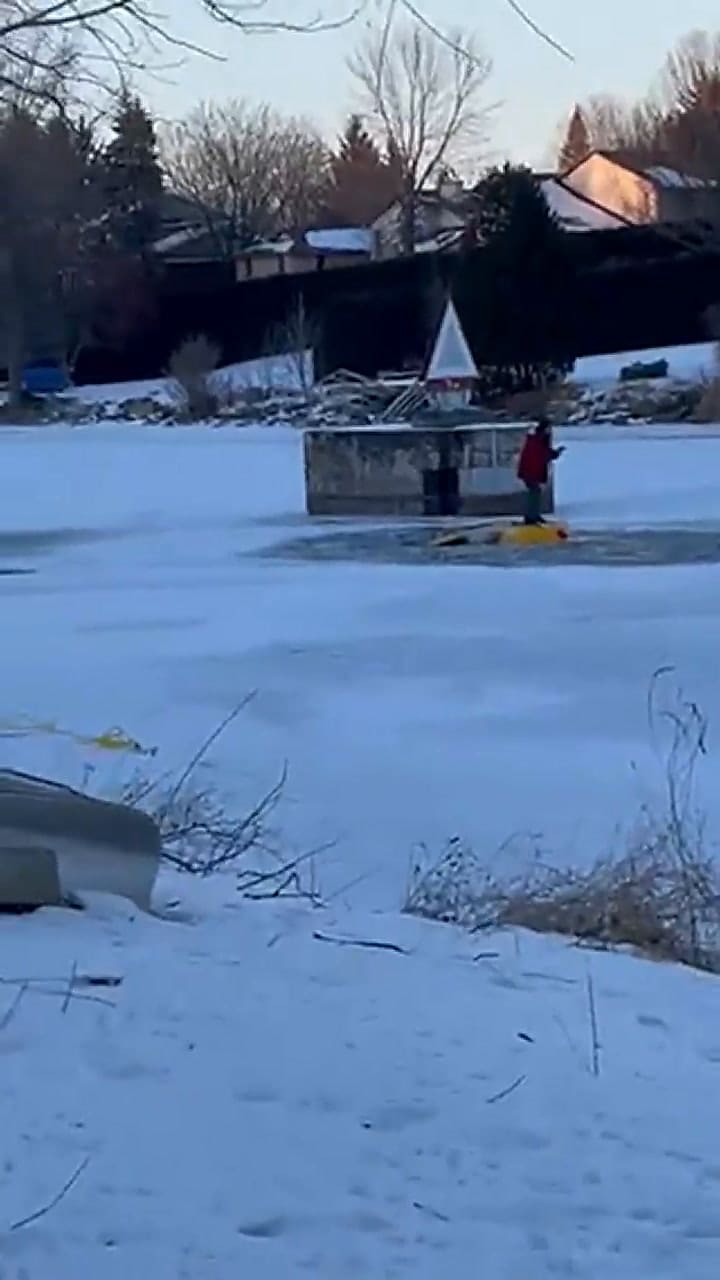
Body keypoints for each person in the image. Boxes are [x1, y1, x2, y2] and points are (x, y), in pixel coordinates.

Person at [516, 416, 564, 526]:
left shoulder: (538, 438)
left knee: (535, 492)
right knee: (534, 493)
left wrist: (554, 453)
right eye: (548, 428)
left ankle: (533, 515)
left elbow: (544, 452)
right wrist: (554, 454)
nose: (550, 430)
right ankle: (530, 517)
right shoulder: (538, 438)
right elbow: (542, 454)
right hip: (530, 471)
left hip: (530, 471)